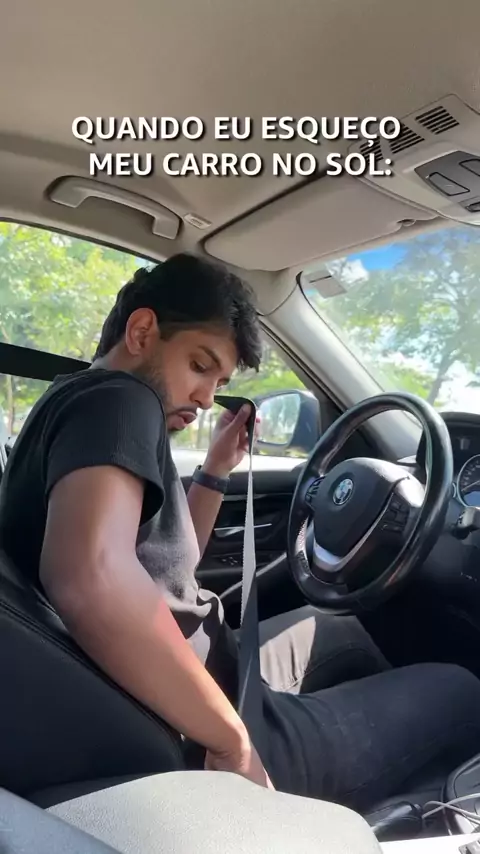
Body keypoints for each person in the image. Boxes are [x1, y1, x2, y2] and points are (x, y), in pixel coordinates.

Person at [2, 252, 480, 813]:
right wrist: (233, 742)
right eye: (199, 365)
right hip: (204, 725)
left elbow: (167, 562)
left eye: (220, 381)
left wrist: (216, 469)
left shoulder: (70, 399)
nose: (207, 397)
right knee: (461, 688)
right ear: (142, 332)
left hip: (204, 675)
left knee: (344, 629)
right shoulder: (120, 400)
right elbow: (90, 578)